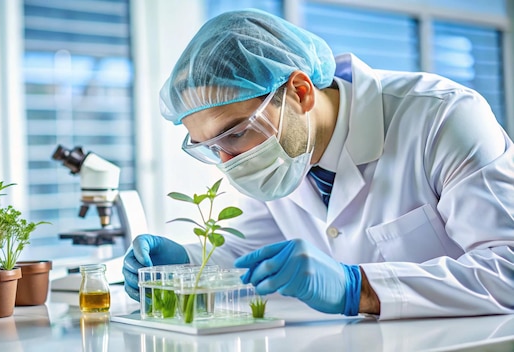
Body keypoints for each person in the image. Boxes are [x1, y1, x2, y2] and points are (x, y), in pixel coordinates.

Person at [123, 8, 514, 319]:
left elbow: (506, 270)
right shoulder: (283, 154)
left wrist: (357, 287)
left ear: (300, 91)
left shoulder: (444, 118)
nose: (227, 162)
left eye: (236, 133)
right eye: (210, 147)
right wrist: (187, 265)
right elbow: (255, 254)